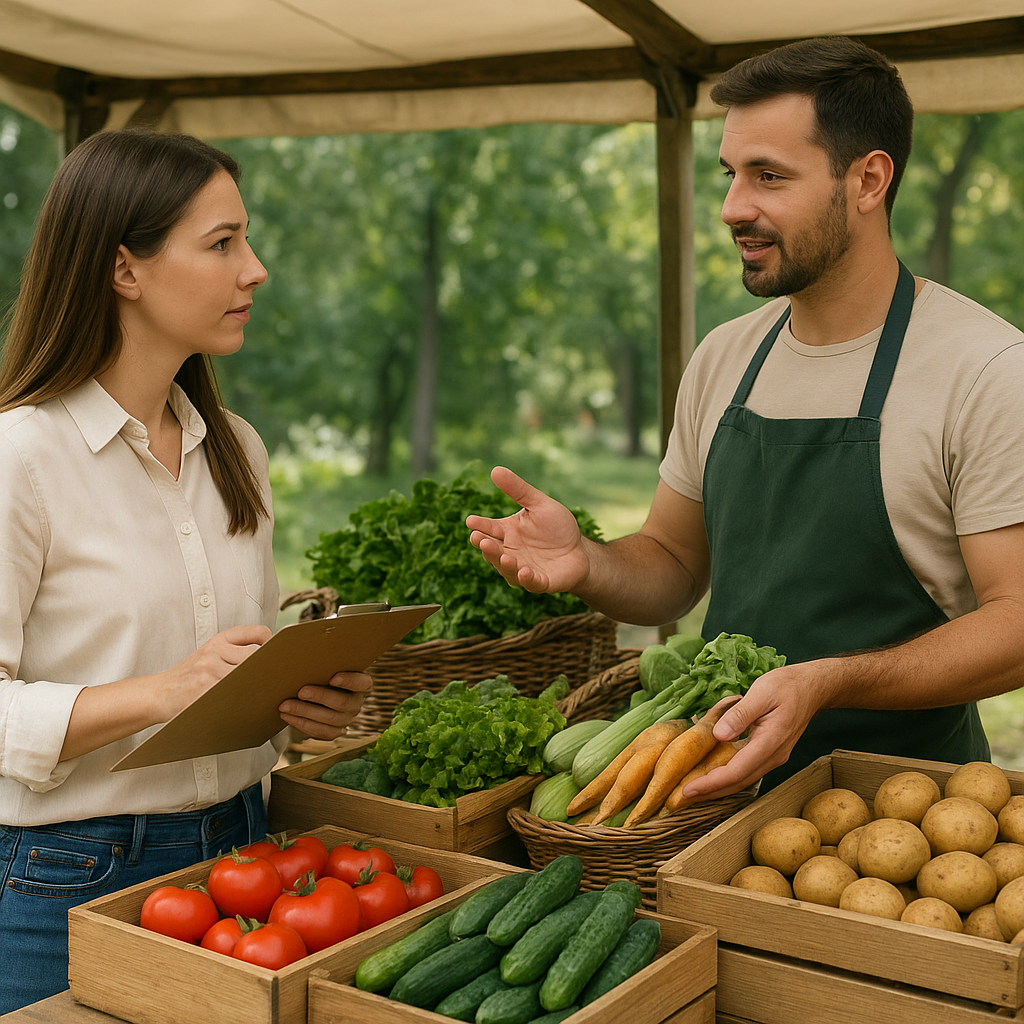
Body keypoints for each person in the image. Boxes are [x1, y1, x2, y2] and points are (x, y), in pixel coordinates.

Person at [467, 37, 1024, 805]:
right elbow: (672, 565)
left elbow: (1018, 621)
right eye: (730, 174)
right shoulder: (726, 357)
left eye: (770, 176)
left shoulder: (986, 370)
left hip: (901, 816)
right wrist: (588, 563)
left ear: (868, 180)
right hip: (711, 794)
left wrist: (829, 682)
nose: (733, 208)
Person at [0, 128, 370, 1013]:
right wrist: (162, 693)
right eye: (222, 243)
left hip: (248, 860)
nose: (256, 269)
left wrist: (300, 705)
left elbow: (230, 682)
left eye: (247, 238)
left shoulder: (235, 448)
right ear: (124, 269)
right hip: (70, 878)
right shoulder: (23, 457)